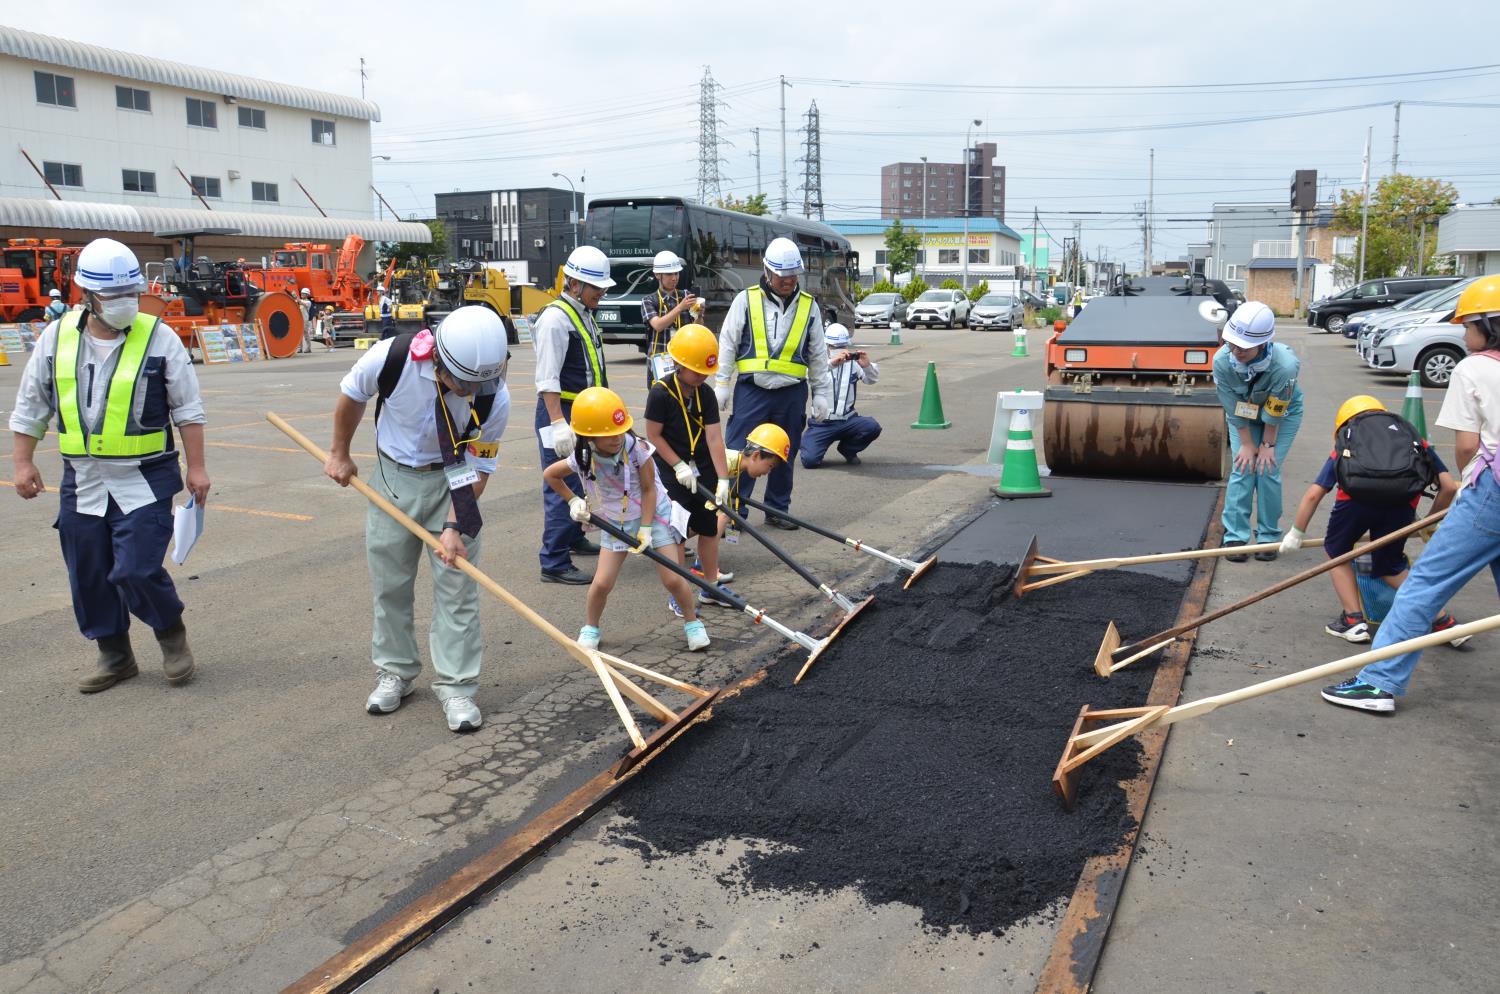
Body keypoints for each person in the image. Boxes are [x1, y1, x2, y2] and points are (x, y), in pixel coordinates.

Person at [9, 238, 209, 692]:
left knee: (136, 569)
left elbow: (188, 410)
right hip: (82, 480)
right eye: (114, 297)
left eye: (130, 295)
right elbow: (31, 405)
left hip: (146, 476)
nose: (125, 304)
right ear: (86, 297)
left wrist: (197, 468)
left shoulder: (159, 336)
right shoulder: (55, 338)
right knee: (89, 572)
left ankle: (171, 635)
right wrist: (22, 462)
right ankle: (115, 654)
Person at [324, 307, 510, 732]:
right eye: (462, 382)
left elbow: (479, 468)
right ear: (438, 359)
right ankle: (396, 672)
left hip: (454, 483)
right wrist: (340, 452)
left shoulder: (492, 393)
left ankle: (457, 687)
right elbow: (353, 395)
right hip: (393, 480)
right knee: (390, 585)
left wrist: (452, 526)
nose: (469, 391)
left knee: (458, 591)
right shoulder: (392, 357)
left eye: (477, 384)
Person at [1323, 277, 1500, 712]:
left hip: (1493, 488)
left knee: (1424, 584)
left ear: (1488, 324)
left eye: (1467, 324)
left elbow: (1465, 447)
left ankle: (1379, 682)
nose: (1461, 332)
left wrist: (1468, 498)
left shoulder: (1474, 368)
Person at [1280, 395, 1462, 644]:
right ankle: (1443, 622)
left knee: (1337, 553)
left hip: (1354, 505)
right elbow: (1449, 487)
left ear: (1343, 425)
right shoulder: (1413, 439)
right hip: (1401, 506)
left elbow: (1314, 494)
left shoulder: (1348, 441)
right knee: (1390, 566)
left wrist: (1296, 533)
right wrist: (1427, 524)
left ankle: (1353, 621)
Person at [543, 387, 710, 652]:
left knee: (673, 578)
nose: (617, 438)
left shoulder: (637, 449)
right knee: (602, 583)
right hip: (617, 521)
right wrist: (573, 500)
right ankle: (591, 628)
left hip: (653, 515)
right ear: (589, 436)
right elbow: (551, 475)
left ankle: (693, 624)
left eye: (620, 431)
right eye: (608, 435)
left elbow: (648, 489)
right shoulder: (583, 456)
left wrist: (645, 528)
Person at [713, 237, 833, 530]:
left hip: (791, 393)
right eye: (782, 275)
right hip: (752, 390)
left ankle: (777, 509)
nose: (788, 281)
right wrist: (721, 383)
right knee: (741, 451)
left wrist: (822, 393)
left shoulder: (809, 307)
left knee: (784, 452)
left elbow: (818, 353)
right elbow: (728, 342)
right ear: (767, 271)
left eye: (792, 275)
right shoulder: (747, 299)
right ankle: (735, 510)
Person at [534, 245, 614, 585]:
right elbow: (547, 377)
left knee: (582, 478)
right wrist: (557, 423)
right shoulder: (555, 319)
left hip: (584, 412)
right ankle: (553, 560)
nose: (602, 293)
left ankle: (571, 537)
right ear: (574, 284)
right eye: (597, 287)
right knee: (562, 482)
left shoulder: (581, 313)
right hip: (562, 412)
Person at [646, 323, 735, 611]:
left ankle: (711, 587)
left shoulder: (705, 394)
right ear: (678, 364)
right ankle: (679, 595)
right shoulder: (660, 393)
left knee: (710, 529)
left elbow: (713, 437)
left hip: (703, 469)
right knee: (678, 533)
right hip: (673, 473)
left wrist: (722, 479)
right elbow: (653, 436)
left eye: (704, 373)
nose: (700, 377)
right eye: (695, 371)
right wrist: (679, 466)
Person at [1213, 300, 1303, 561]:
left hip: (1282, 416)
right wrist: (1246, 443)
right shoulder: (1222, 361)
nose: (1236, 351)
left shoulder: (1285, 365)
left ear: (1263, 344)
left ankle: (1268, 537)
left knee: (1267, 469)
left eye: (1244, 347)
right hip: (1243, 416)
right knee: (1243, 467)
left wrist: (1266, 445)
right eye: (1232, 344)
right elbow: (1231, 404)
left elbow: (1275, 409)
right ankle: (1235, 538)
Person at [700, 422, 790, 588]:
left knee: (722, 512)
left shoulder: (735, 464)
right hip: (671, 498)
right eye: (770, 466)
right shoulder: (725, 463)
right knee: (723, 514)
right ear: (755, 455)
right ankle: (704, 565)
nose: (767, 473)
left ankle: (692, 551)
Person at [800, 323, 881, 468]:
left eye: (843, 346)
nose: (839, 350)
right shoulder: (818, 363)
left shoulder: (854, 364)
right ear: (826, 346)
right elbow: (804, 376)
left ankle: (848, 449)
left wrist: (867, 366)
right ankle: (809, 443)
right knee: (810, 461)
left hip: (848, 420)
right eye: (834, 347)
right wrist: (831, 363)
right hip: (822, 423)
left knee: (872, 427)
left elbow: (872, 380)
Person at [639, 250, 701, 389]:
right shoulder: (648, 300)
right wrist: (680, 307)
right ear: (657, 275)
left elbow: (697, 329)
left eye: (676, 273)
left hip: (683, 361)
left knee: (683, 404)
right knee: (659, 403)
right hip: (659, 362)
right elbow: (658, 325)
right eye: (669, 274)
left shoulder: (686, 296)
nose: (674, 278)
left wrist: (699, 314)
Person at [297, 287, 314, 353]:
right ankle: (299, 348)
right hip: (299, 319)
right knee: (299, 334)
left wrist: (296, 297)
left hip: (305, 320)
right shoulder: (300, 301)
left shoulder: (308, 302)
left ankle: (308, 348)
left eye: (304, 293)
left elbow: (301, 303)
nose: (302, 294)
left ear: (307, 295)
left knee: (305, 333)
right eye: (301, 293)